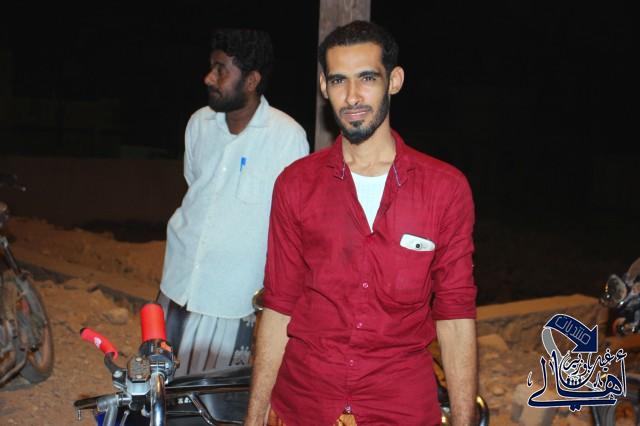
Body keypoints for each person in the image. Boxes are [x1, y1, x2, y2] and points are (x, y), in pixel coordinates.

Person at [246, 20, 477, 426]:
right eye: (339, 80)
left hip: (400, 406)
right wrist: (253, 418)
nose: (352, 96)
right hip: (305, 403)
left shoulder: (444, 189)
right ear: (324, 86)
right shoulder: (296, 184)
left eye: (367, 78)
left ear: (394, 81)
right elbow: (279, 307)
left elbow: (455, 316)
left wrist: (463, 419)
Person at [157, 28, 309, 376]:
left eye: (221, 70)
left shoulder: (287, 138)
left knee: (212, 398)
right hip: (177, 285)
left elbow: (294, 229)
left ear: (251, 80)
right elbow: (195, 188)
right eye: (211, 67)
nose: (209, 78)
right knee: (160, 387)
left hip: (231, 301)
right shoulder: (199, 124)